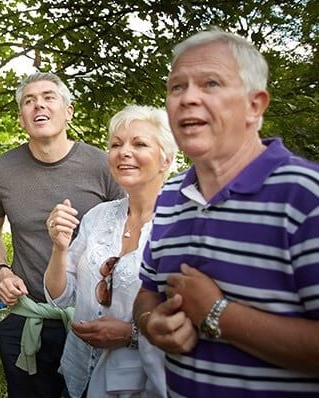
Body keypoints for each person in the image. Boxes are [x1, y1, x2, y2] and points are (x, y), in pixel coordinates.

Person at [133, 29, 319, 396]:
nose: (188, 98)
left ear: (255, 105)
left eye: (211, 83)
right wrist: (151, 322)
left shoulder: (305, 195)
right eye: (176, 87)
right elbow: (147, 292)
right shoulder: (170, 196)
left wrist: (218, 313)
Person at [0, 72, 126, 397]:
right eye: (29, 101)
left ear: (69, 110)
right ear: (21, 118)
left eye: (48, 97)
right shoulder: (2, 170)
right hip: (27, 317)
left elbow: (130, 231)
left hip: (90, 320)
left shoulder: (102, 165)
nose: (38, 106)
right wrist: (1, 271)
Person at [43, 105, 176, 397]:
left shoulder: (182, 226)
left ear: (166, 159)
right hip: (78, 376)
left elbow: (193, 322)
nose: (123, 151)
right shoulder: (98, 216)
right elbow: (60, 296)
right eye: (116, 144)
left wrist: (131, 335)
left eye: (139, 143)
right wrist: (59, 247)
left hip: (140, 384)